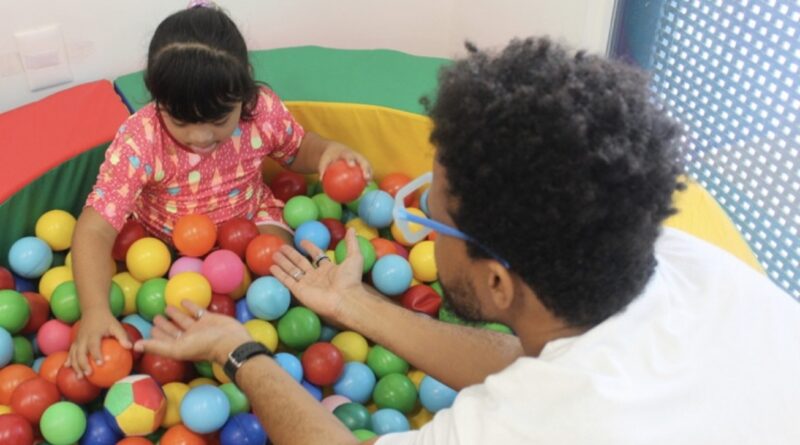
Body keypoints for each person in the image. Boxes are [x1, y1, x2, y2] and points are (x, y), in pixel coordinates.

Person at [135, 38, 800, 444]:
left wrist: (238, 350)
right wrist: (356, 306)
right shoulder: (684, 260)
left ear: (497, 281)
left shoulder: (538, 425)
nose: (420, 218)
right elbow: (544, 363)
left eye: (434, 213)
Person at [67, 2, 371, 378]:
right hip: (163, 246)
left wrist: (327, 152)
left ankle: (319, 327)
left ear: (244, 91)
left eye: (218, 118)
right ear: (157, 98)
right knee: (172, 313)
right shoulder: (141, 139)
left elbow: (297, 149)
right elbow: (96, 227)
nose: (201, 137)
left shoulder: (261, 111)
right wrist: (95, 310)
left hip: (250, 219)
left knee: (284, 269)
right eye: (181, 121)